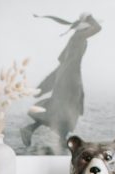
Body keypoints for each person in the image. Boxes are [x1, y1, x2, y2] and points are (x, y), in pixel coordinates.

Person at [21, 12, 101, 150]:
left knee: (62, 107)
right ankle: (42, 133)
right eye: (88, 27)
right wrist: (90, 18)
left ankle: (37, 131)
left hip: (69, 75)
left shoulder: (76, 38)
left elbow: (63, 62)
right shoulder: (79, 37)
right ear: (84, 28)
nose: (90, 30)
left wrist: (50, 83)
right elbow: (98, 28)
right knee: (67, 108)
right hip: (71, 76)